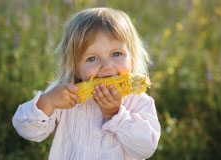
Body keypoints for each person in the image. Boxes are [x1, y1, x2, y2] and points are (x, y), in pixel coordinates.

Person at [12, 7, 160, 160]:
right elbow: (26, 129)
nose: (107, 66)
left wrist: (116, 115)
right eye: (92, 58)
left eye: (116, 54)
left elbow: (146, 148)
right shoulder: (65, 98)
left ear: (132, 57)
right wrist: (48, 102)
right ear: (75, 67)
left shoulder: (139, 102)